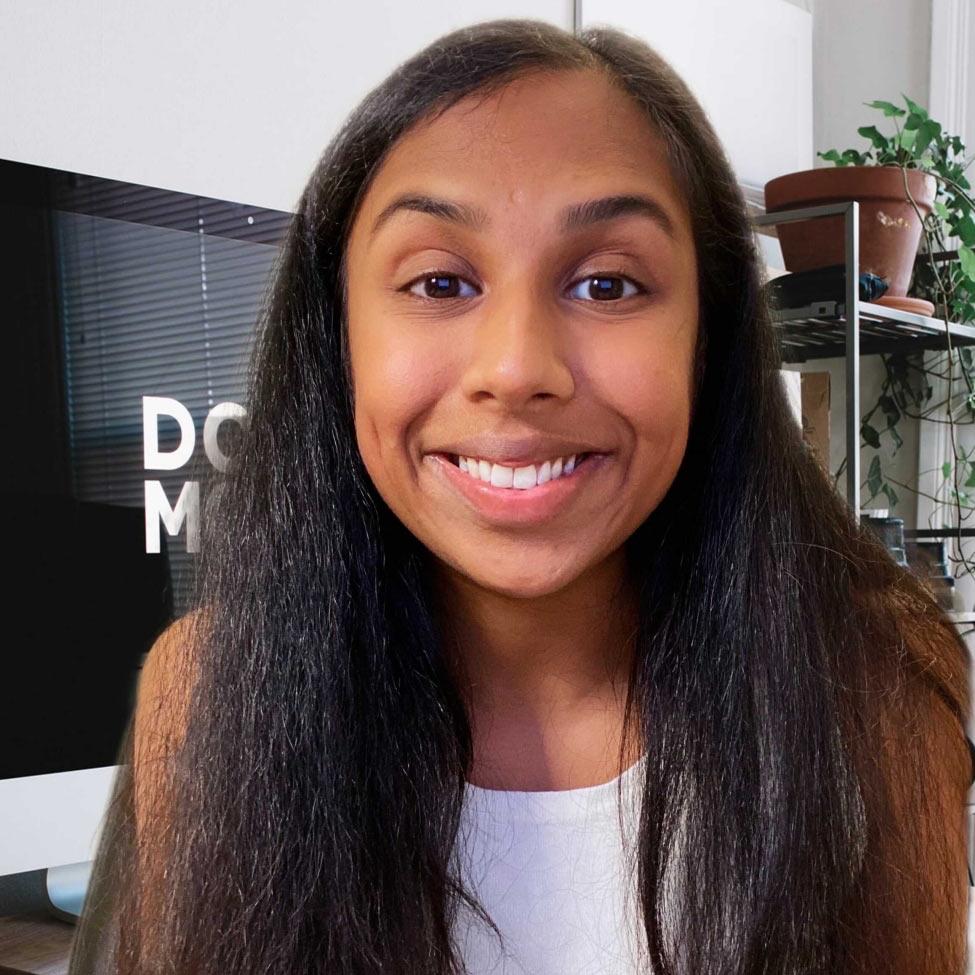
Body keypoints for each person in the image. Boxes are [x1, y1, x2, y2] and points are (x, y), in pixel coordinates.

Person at [68, 17, 973, 975]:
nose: (515, 368)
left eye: (610, 284)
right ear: (338, 339)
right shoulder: (211, 692)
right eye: (439, 280)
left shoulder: (866, 689)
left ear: (706, 340)